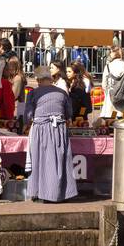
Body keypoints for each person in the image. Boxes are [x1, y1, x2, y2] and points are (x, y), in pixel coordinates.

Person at [23, 65, 77, 202]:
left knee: (40, 161)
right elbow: (69, 114)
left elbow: (28, 116)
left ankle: (40, 192)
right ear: (50, 78)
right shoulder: (62, 93)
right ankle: (61, 193)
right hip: (59, 129)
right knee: (60, 161)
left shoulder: (33, 94)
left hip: (40, 130)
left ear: (38, 79)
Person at [100, 47, 124, 120]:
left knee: (112, 118)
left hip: (111, 95)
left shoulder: (108, 66)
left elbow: (104, 83)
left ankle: (112, 129)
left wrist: (106, 92)